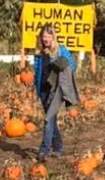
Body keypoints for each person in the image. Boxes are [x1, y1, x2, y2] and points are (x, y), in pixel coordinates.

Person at [33, 24, 80, 160]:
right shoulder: (39, 53)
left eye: (48, 36)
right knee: (51, 119)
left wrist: (61, 65)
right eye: (44, 36)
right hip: (43, 90)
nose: (46, 39)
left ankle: (44, 150)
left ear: (53, 37)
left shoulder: (61, 50)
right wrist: (34, 84)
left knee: (48, 120)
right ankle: (58, 146)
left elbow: (72, 66)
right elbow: (38, 71)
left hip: (56, 90)